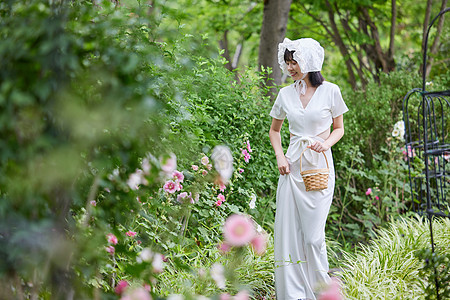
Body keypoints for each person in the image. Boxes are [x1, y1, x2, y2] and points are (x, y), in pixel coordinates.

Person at [269, 38, 348, 300]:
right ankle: (293, 294)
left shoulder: (331, 91)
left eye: (295, 62)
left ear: (310, 61)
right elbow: (274, 130)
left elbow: (339, 128)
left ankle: (322, 290)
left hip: (320, 167)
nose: (290, 67)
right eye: (288, 62)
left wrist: (325, 144)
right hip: (291, 168)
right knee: (290, 232)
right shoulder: (285, 94)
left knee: (314, 236)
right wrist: (280, 156)